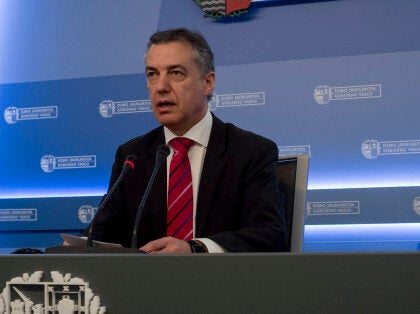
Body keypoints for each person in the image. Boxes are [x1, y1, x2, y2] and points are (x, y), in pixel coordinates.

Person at [87, 28, 287, 253]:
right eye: (152, 74)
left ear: (207, 83)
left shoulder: (250, 152)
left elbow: (270, 233)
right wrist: (82, 247)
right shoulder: (132, 155)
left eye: (176, 73)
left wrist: (195, 248)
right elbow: (102, 231)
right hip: (147, 284)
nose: (161, 87)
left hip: (223, 283)